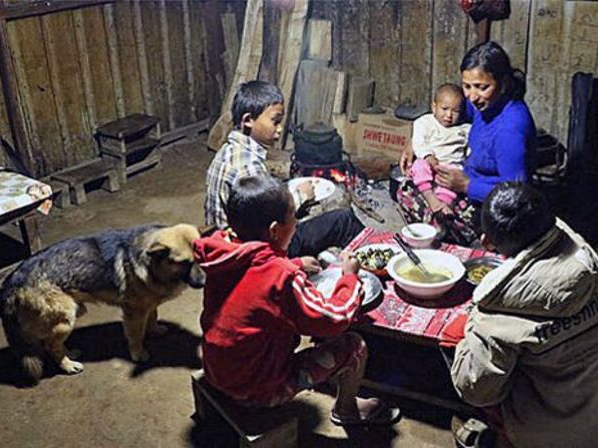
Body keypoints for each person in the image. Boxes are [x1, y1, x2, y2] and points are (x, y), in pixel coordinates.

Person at [439, 182, 598, 448]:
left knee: (455, 335)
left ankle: (498, 436)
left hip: (555, 438)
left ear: (487, 242)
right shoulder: (585, 258)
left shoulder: (496, 307)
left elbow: (477, 391)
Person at [195, 176, 401, 426]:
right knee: (354, 345)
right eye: (294, 217)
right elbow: (334, 319)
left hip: (219, 370)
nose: (297, 223)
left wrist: (295, 263)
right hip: (255, 389)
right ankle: (347, 410)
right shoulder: (282, 278)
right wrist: (349, 278)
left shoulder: (222, 252)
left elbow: (252, 277)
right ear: (274, 230)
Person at [204, 80, 364, 257]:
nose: (280, 129)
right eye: (275, 121)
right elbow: (266, 226)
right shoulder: (248, 167)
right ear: (248, 120)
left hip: (228, 245)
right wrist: (302, 196)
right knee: (343, 220)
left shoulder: (228, 151)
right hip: (254, 254)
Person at [398, 41, 537, 246]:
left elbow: (516, 195)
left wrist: (467, 185)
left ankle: (465, 242)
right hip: (464, 179)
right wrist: (414, 143)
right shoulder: (483, 104)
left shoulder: (510, 130)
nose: (472, 97)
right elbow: (445, 116)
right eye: (467, 86)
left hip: (491, 205)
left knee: (430, 210)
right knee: (408, 185)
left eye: (482, 87)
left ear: (504, 82)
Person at [407, 83, 472, 217]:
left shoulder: (465, 129)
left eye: (455, 111)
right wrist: (427, 156)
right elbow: (418, 142)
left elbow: (471, 151)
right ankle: (431, 198)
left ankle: (444, 208)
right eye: (444, 109)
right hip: (430, 164)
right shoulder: (424, 122)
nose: (449, 115)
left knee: (452, 183)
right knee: (419, 165)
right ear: (434, 106)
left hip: (450, 169)